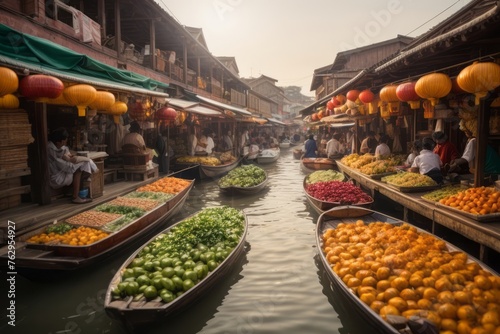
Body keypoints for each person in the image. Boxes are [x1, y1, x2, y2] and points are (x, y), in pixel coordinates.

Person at [48, 127, 97, 204]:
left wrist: (70, 157)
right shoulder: (50, 150)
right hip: (56, 177)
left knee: (83, 164)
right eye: (64, 141)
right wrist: (84, 159)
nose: (66, 142)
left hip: (63, 171)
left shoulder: (62, 147)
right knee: (79, 168)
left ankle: (72, 191)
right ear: (58, 142)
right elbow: (68, 168)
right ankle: (75, 197)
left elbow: (67, 153)